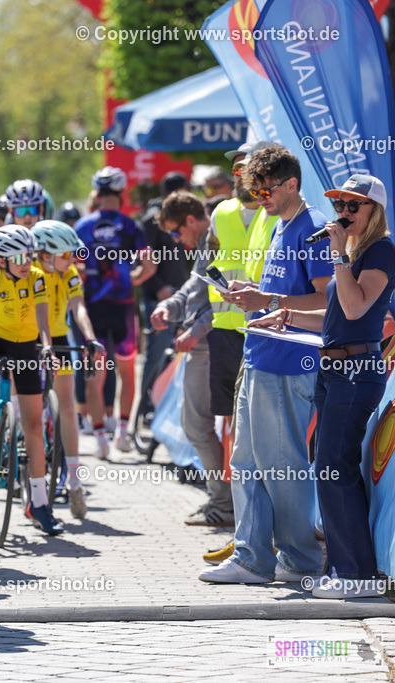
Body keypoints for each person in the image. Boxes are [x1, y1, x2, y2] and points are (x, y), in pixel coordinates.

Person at [249, 174, 395, 598]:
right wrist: (287, 317)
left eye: (354, 206)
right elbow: (334, 320)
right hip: (334, 370)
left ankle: (357, 574)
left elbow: (354, 307)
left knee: (336, 469)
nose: (344, 213)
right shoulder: (355, 253)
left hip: (355, 371)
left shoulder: (381, 250)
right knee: (331, 469)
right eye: (340, 206)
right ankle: (344, 566)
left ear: (375, 212)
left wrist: (337, 257)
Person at [199, 143, 331, 585]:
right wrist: (251, 294)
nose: (260, 200)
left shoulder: (311, 227)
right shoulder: (281, 225)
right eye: (254, 193)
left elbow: (328, 300)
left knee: (282, 464)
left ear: (292, 184)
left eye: (265, 192)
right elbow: (281, 292)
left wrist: (268, 299)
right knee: (248, 461)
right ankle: (253, 557)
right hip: (260, 354)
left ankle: (300, 560)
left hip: (290, 362)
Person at [0, 224, 63, 535]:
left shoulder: (37, 277)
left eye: (29, 254)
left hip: (26, 344)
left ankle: (39, 504)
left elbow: (43, 318)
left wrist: (48, 346)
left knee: (34, 424)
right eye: (20, 257)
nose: (27, 261)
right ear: (1, 261)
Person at [151, 191, 230, 527]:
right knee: (199, 426)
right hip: (203, 343)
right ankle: (222, 501)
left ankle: (224, 504)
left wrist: (196, 331)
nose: (175, 240)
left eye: (175, 232)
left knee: (199, 425)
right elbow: (193, 290)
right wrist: (169, 307)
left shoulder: (218, 241)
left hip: (212, 344)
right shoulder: (204, 245)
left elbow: (226, 298)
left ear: (192, 221)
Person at [74, 167, 157, 457]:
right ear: (120, 195)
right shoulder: (131, 226)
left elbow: (73, 267)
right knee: (126, 371)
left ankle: (99, 439)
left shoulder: (82, 226)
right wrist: (130, 279)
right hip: (123, 307)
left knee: (93, 376)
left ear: (96, 195)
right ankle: (122, 433)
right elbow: (150, 266)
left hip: (93, 309)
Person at [31, 220, 104, 519]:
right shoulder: (32, 274)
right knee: (29, 408)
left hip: (59, 337)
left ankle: (73, 478)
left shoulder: (69, 272)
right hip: (29, 337)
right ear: (46, 254)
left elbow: (79, 308)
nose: (72, 261)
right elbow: (41, 320)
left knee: (68, 405)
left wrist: (90, 338)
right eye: (66, 255)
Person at [136, 172, 192, 423]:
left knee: (173, 353)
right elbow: (142, 258)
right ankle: (145, 406)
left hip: (179, 297)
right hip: (157, 299)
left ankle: (162, 405)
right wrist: (158, 286)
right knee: (156, 353)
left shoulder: (180, 219)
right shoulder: (152, 219)